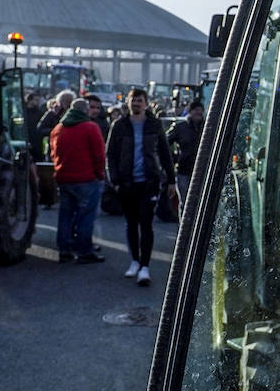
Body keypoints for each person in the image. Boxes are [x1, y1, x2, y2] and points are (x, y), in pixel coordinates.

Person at [105, 88, 177, 287]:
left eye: (139, 100)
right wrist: (115, 181)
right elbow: (110, 154)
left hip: (149, 182)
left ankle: (145, 266)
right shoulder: (119, 126)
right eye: (132, 100)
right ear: (128, 103)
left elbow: (165, 153)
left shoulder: (154, 125)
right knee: (131, 223)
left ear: (146, 103)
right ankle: (135, 261)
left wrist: (171, 180)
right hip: (127, 183)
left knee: (146, 223)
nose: (136, 103)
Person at [50, 98, 107, 264]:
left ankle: (64, 250)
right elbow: (98, 154)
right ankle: (84, 251)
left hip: (64, 177)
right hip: (86, 178)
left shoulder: (58, 128)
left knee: (65, 216)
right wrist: (99, 174)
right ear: (85, 111)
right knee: (85, 216)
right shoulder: (90, 127)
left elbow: (53, 153)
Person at [166, 100, 204, 207]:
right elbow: (165, 143)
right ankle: (184, 223)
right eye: (196, 110)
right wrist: (174, 158)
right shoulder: (180, 127)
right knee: (185, 202)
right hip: (184, 169)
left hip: (202, 170)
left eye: (201, 111)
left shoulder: (207, 128)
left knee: (199, 202)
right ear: (190, 111)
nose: (199, 113)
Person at [36, 90, 74, 160]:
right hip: (54, 147)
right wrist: (57, 131)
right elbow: (40, 129)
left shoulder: (73, 114)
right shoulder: (52, 113)